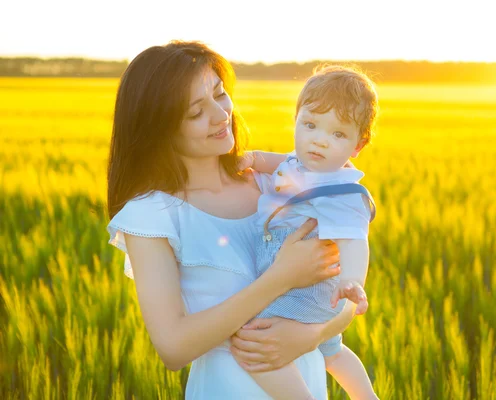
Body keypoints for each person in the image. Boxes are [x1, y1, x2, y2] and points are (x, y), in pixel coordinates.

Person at [106, 41, 358, 399]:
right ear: (159, 128)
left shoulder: (277, 184)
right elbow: (173, 348)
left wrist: (312, 335)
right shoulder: (152, 215)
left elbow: (348, 289)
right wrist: (279, 278)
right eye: (196, 112)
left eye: (219, 93)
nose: (220, 114)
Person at [243, 66, 379, 399]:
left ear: (358, 146)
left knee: (253, 340)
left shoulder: (342, 192)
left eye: (338, 134)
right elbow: (282, 162)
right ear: (296, 120)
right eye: (310, 125)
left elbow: (355, 242)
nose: (319, 139)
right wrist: (253, 158)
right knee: (332, 350)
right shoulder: (302, 163)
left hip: (304, 291)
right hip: (304, 286)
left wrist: (352, 281)